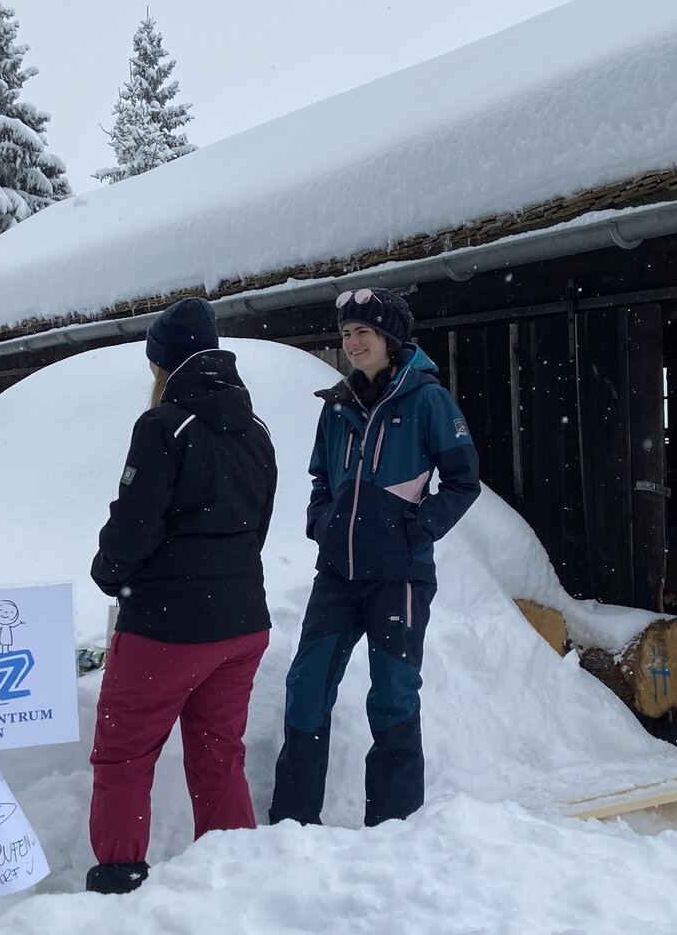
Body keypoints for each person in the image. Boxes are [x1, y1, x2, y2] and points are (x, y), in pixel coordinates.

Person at [86, 297, 278, 894]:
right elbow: (257, 527)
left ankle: (119, 877)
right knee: (219, 752)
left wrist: (109, 571)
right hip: (244, 625)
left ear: (163, 364)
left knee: (124, 753)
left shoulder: (162, 426)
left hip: (167, 628)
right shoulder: (255, 430)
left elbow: (134, 526)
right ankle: (235, 876)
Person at [269, 286, 479, 828]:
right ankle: (292, 824)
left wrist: (416, 528)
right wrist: (322, 523)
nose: (353, 342)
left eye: (363, 331)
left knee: (393, 695)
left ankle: (394, 826)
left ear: (390, 338)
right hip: (337, 574)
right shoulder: (337, 405)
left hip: (399, 577)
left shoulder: (427, 400)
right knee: (306, 686)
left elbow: (463, 481)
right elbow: (320, 477)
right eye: (346, 333)